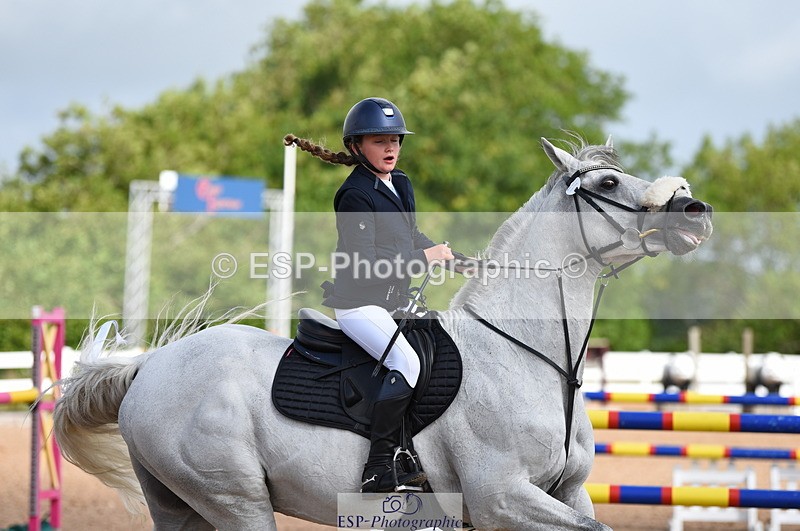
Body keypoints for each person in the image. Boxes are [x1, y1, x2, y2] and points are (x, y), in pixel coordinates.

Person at [284, 97, 453, 493]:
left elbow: (413, 238)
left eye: (396, 139)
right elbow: (367, 263)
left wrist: (455, 259)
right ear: (357, 146)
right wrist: (423, 257)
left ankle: (413, 449)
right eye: (380, 141)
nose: (391, 148)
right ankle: (378, 467)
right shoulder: (354, 194)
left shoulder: (402, 184)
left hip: (395, 304)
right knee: (406, 363)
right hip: (359, 304)